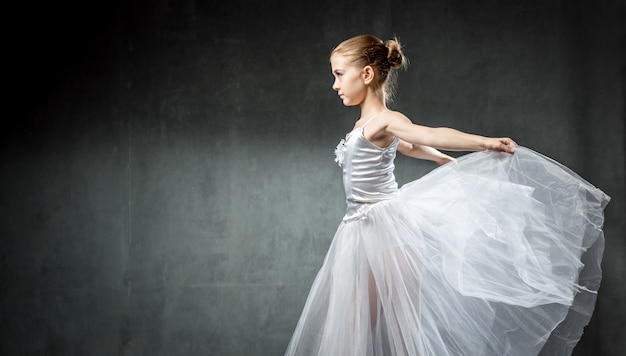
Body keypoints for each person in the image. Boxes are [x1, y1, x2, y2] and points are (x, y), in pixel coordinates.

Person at [285, 34, 609, 356]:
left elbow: (427, 133)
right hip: (361, 229)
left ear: (367, 74)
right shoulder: (365, 125)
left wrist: (484, 142)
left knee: (398, 328)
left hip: (388, 235)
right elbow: (410, 145)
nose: (334, 84)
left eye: (339, 74)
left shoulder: (385, 120)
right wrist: (438, 157)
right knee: (355, 325)